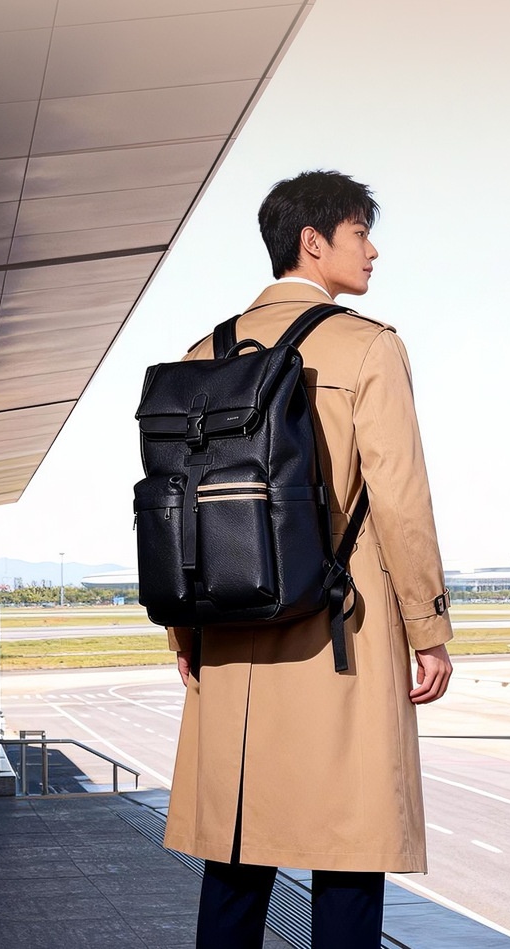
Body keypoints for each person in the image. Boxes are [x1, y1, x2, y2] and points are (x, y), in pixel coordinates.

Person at [164, 170, 453, 949]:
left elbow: (180, 504)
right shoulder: (369, 347)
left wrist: (184, 631)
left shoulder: (203, 352)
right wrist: (429, 629)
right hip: (339, 633)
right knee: (348, 852)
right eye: (361, 233)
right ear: (313, 241)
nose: (374, 251)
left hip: (228, 632)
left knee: (235, 856)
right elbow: (400, 501)